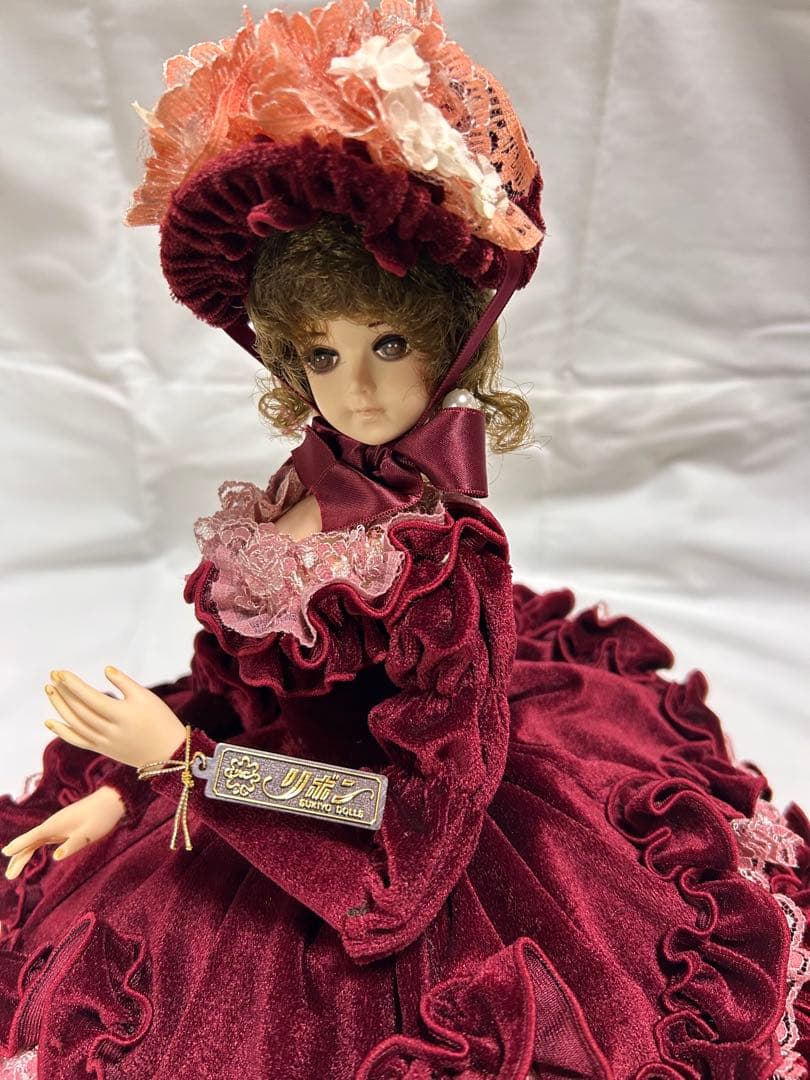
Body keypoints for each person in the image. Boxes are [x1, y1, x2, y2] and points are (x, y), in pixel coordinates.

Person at [0, 2, 808, 1077]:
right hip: (253, 797)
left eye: (388, 344)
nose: (359, 390)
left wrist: (193, 768)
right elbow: (242, 696)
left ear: (449, 340)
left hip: (388, 853)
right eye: (322, 355)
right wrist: (130, 787)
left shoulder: (440, 568)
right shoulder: (295, 495)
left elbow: (415, 824)